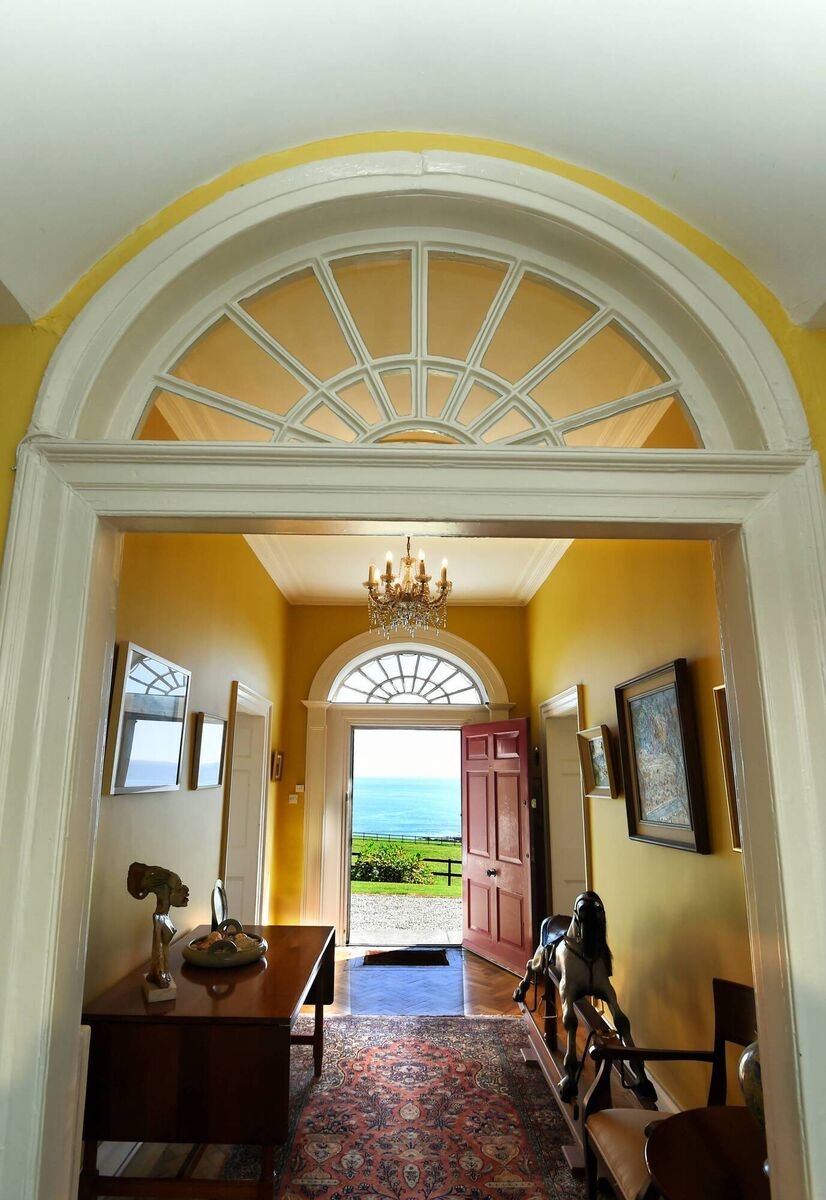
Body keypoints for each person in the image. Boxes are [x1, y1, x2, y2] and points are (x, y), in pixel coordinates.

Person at [127, 861, 190, 990]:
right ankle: (159, 973)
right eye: (178, 888)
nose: (186, 891)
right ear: (165, 891)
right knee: (161, 944)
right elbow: (159, 949)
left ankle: (159, 972)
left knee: (164, 944)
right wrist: (161, 973)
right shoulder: (159, 919)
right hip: (161, 918)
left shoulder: (164, 918)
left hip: (163, 917)